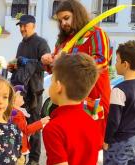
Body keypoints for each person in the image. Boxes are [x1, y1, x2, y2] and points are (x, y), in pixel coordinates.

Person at [41, 0, 111, 141]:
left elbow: (101, 61)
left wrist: (67, 60)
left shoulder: (96, 34)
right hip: (67, 101)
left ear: (77, 14)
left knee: (86, 146)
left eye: (66, 18)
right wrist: (49, 61)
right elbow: (58, 69)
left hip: (91, 97)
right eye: (60, 21)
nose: (63, 24)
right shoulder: (63, 41)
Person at [9, 14, 50, 165]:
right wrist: (13, 66)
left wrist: (30, 62)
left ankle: (34, 158)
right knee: (19, 121)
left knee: (34, 122)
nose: (22, 29)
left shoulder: (41, 43)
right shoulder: (21, 45)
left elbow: (46, 66)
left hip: (35, 90)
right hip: (21, 90)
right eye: (20, 26)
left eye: (25, 26)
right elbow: (20, 65)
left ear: (33, 25)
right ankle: (21, 153)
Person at [11, 85, 50, 165]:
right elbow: (26, 130)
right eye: (20, 95)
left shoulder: (16, 111)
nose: (23, 97)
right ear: (14, 98)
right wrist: (41, 123)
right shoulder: (17, 113)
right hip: (18, 148)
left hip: (18, 147)